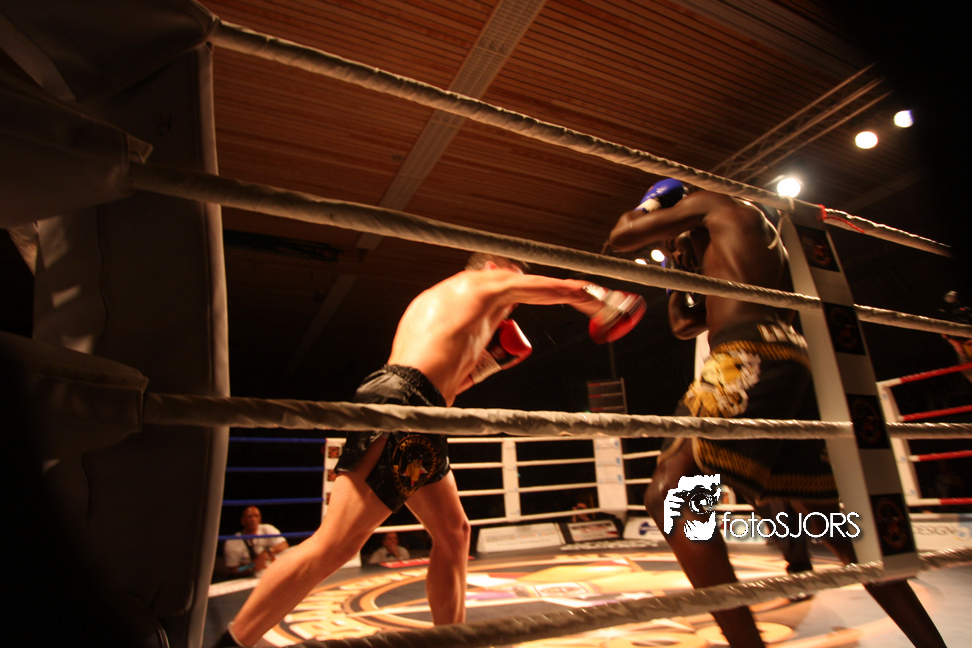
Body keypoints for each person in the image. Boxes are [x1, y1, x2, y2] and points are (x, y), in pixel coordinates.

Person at [220, 252, 646, 647]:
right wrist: (608, 303)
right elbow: (568, 289)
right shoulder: (482, 282)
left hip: (425, 413)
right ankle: (231, 642)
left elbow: (450, 387)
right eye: (515, 285)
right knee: (335, 544)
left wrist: (494, 359)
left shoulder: (454, 306)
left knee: (454, 533)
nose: (515, 302)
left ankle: (451, 641)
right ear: (493, 266)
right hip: (403, 403)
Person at [608, 180, 946, 648]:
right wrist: (676, 268)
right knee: (823, 517)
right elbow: (684, 324)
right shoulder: (740, 244)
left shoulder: (716, 205)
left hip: (747, 353)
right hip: (785, 360)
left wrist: (648, 205)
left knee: (671, 493)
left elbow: (621, 235)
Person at [224, 506, 290, 579]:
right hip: (250, 577)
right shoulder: (233, 542)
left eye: (256, 516)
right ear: (243, 521)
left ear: (260, 518)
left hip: (274, 570)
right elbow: (234, 570)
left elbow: (284, 545)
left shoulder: (267, 529)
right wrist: (251, 566)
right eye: (249, 517)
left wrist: (267, 552)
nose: (253, 519)